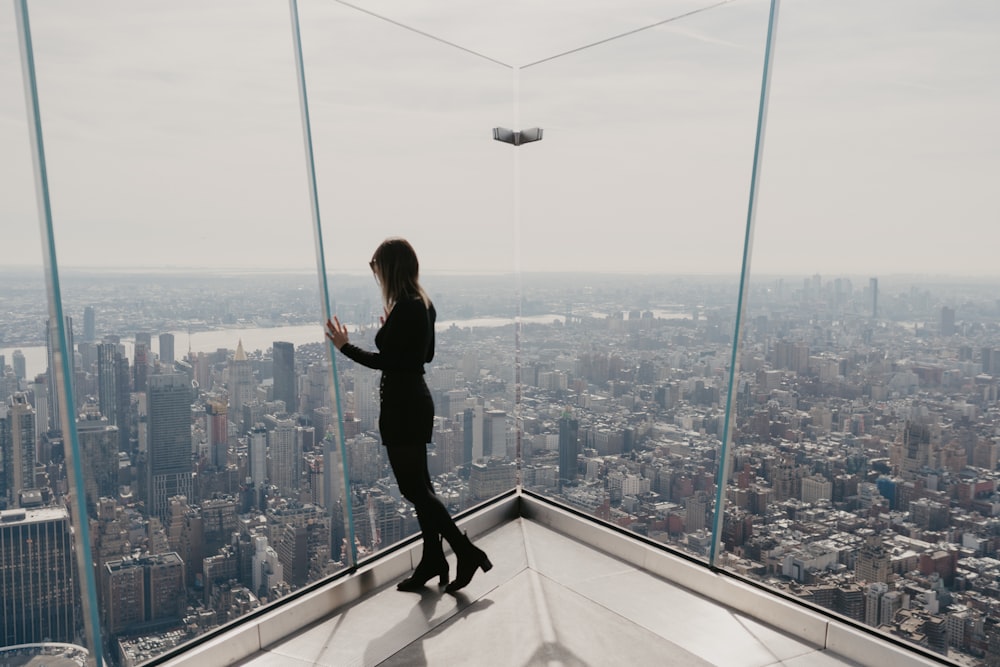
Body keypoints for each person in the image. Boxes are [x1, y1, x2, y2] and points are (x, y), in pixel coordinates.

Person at [325, 238, 492, 593]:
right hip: (415, 401)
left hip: (402, 406)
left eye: (379, 273)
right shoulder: (423, 304)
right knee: (422, 487)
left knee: (412, 488)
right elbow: (424, 355)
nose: (378, 280)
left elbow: (386, 362)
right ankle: (433, 558)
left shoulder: (407, 308)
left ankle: (465, 551)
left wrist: (344, 347)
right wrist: (393, 330)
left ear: (391, 270)